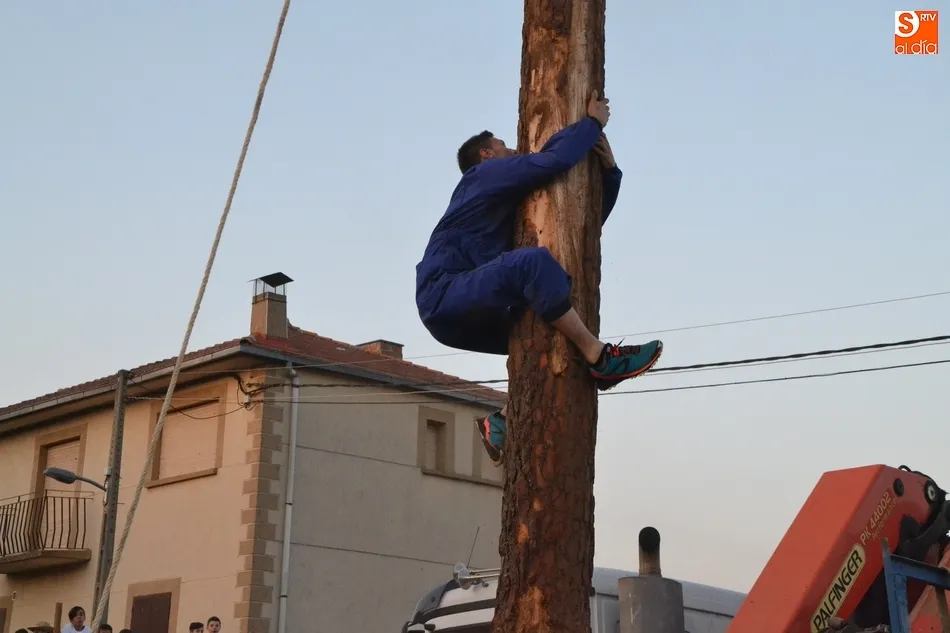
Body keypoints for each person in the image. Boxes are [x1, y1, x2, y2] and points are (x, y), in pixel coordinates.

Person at [415, 90, 663, 466]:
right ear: (486, 154)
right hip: (444, 292)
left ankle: (500, 421)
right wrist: (591, 123)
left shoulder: (505, 206)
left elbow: (584, 225)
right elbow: (553, 160)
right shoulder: (482, 176)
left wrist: (610, 173)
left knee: (544, 331)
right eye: (503, 144)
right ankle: (599, 357)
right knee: (532, 264)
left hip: (460, 312)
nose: (513, 148)